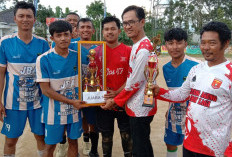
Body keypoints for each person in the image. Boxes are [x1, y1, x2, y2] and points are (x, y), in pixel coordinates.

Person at [148, 21, 232, 157]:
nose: (206, 47)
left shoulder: (229, 74)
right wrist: (158, 92)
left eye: (212, 43)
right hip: (190, 144)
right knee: (171, 145)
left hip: (215, 148)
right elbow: (181, 94)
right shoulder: (196, 69)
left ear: (226, 43)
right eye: (203, 43)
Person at [102, 5, 157, 157]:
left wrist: (113, 101)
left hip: (141, 106)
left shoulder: (144, 49)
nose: (127, 26)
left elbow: (133, 84)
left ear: (142, 22)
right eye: (125, 23)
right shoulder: (137, 45)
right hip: (135, 105)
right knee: (142, 145)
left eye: (131, 22)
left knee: (140, 148)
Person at [0, 1, 50, 157]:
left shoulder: (43, 44)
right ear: (15, 18)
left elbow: (49, 75)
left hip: (38, 102)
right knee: (10, 141)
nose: (25, 19)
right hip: (13, 103)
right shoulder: (5, 43)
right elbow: (1, 73)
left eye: (29, 16)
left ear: (34, 19)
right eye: (21, 16)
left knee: (41, 137)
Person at [36, 20, 86, 157]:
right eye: (59, 35)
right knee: (50, 146)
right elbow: (46, 90)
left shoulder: (77, 56)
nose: (63, 38)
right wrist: (72, 102)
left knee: (74, 142)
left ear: (72, 35)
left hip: (74, 110)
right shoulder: (43, 59)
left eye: (66, 34)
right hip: (54, 112)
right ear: (52, 38)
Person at [95, 16, 132, 157]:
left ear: (119, 31)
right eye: (106, 29)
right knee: (106, 135)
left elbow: (132, 77)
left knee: (126, 134)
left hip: (124, 100)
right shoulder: (96, 52)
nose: (109, 32)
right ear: (102, 32)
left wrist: (117, 93)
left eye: (113, 29)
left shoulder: (128, 51)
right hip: (103, 102)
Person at [162, 28, 199, 157]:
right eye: (171, 43)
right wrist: (168, 109)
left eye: (179, 43)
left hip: (193, 114)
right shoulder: (165, 68)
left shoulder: (196, 65)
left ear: (185, 44)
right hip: (174, 113)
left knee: (192, 147)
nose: (175, 47)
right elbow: (173, 92)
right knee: (170, 144)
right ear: (165, 45)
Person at [77, 18, 99, 157]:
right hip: (76, 89)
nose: (85, 29)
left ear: (93, 30)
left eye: (88, 27)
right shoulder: (72, 45)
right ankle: (85, 140)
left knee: (93, 118)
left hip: (93, 89)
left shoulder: (99, 47)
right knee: (82, 117)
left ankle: (93, 145)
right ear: (77, 30)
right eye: (82, 27)